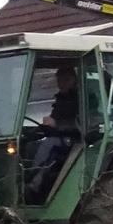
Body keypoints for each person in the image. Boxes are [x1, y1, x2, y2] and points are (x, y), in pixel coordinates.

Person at [26, 66, 82, 201]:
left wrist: (57, 124)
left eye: (65, 80)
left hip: (76, 138)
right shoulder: (62, 98)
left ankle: (33, 185)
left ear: (74, 80)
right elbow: (54, 119)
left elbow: (82, 123)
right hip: (61, 135)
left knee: (48, 144)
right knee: (30, 144)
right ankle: (25, 178)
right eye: (59, 80)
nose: (61, 83)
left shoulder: (82, 98)